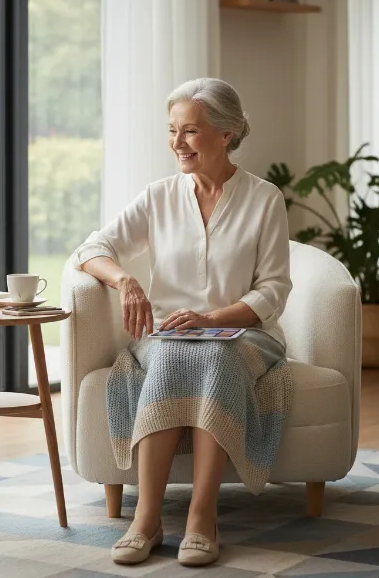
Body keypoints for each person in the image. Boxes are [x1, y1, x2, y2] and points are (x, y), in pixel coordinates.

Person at [73, 77, 293, 567]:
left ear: (226, 134)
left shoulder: (264, 199)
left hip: (245, 333)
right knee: (172, 353)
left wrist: (213, 318)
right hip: (170, 337)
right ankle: (147, 519)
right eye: (173, 130)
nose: (177, 143)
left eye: (190, 131)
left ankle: (200, 516)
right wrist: (126, 281)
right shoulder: (158, 197)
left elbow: (273, 289)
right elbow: (91, 249)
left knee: (218, 353)